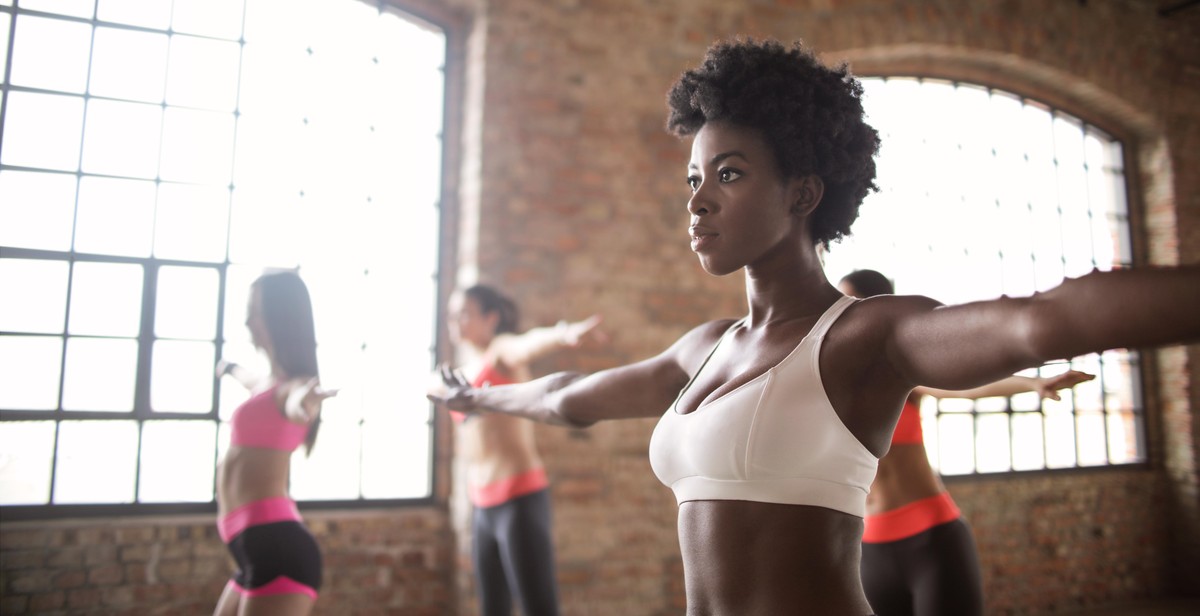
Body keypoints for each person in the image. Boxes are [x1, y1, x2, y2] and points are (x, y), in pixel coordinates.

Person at [428, 37, 1200, 614]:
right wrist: (479, 398)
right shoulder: (704, 348)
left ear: (802, 193)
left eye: (729, 174)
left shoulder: (866, 337)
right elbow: (572, 396)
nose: (698, 201)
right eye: (694, 178)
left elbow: (1043, 322)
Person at [839, 269, 1094, 616]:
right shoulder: (835, 382)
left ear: (875, 307)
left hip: (931, 540)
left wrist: (1032, 384)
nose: (844, 311)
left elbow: (967, 384)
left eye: (851, 301)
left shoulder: (901, 374)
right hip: (869, 550)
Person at [437, 283, 604, 616]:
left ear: (491, 318)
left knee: (537, 608)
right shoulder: (459, 371)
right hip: (482, 505)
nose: (455, 321)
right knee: (492, 609)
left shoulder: (499, 352)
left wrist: (563, 333)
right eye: (452, 314)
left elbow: (525, 345)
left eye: (465, 313)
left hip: (518, 499)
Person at [213, 271, 337, 616]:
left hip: (278, 547)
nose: (247, 321)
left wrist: (308, 401)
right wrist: (229, 368)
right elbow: (251, 379)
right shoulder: (269, 383)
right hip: (250, 550)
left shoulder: (292, 387)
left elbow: (298, 401)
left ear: (279, 316)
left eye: (255, 311)